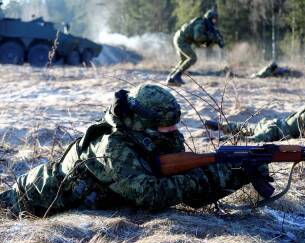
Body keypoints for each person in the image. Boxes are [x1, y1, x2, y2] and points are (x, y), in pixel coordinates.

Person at [0, 84, 250, 217]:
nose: (173, 130)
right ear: (143, 121)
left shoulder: (151, 133)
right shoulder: (113, 146)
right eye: (165, 125)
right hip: (29, 200)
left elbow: (174, 178)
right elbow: (151, 196)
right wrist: (210, 177)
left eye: (174, 123)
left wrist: (238, 169)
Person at [207, 93, 305, 142]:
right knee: (253, 140)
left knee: (246, 127)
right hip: (276, 130)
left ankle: (221, 126)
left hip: (273, 124)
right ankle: (224, 139)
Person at [166, 9, 224, 86]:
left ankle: (171, 78)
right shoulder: (201, 23)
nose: (215, 21)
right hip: (181, 39)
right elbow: (197, 37)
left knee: (184, 59)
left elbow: (201, 44)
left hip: (180, 38)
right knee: (192, 58)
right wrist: (211, 37)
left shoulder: (205, 25)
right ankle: (176, 76)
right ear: (210, 18)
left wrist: (212, 41)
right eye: (213, 19)